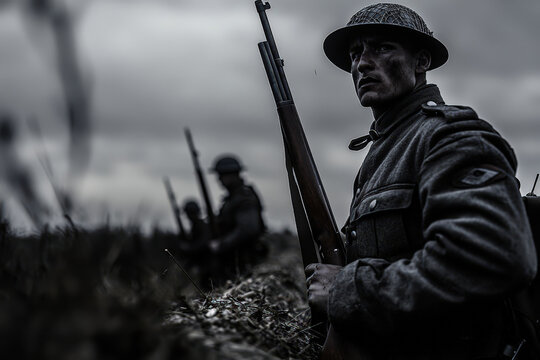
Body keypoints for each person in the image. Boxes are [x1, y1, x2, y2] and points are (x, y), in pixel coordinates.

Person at [304, 4, 537, 359]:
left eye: (382, 48)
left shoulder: (449, 136)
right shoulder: (385, 150)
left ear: (422, 61)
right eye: (355, 54)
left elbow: (495, 257)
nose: (362, 64)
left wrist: (347, 288)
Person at [208, 155, 266, 281]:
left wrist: (221, 245)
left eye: (221, 175)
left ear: (232, 175)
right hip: (235, 262)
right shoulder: (233, 198)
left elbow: (248, 229)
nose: (219, 180)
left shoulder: (243, 197)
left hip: (245, 262)